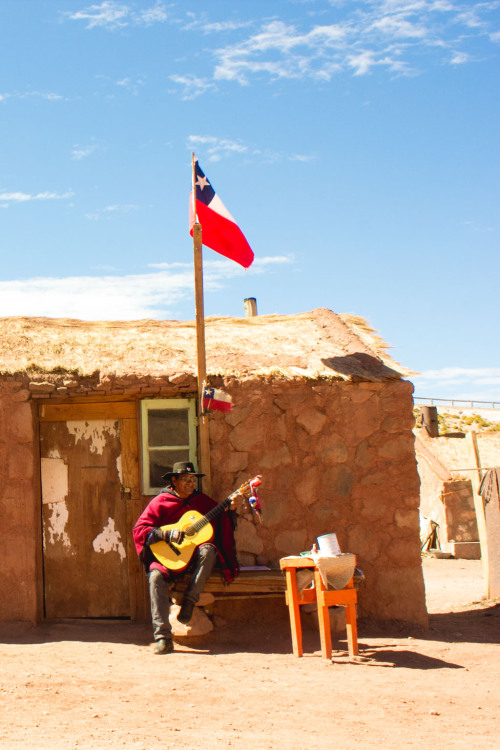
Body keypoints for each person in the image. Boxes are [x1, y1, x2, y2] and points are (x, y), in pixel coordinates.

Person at [133, 461, 239, 654]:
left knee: (209, 550)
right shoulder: (161, 502)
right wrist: (165, 534)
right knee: (155, 577)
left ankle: (190, 601)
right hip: (166, 556)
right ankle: (163, 638)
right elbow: (140, 530)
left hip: (191, 558)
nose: (191, 483)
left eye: (193, 480)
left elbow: (221, 521)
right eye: (186, 479)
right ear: (174, 480)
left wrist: (231, 511)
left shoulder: (202, 502)